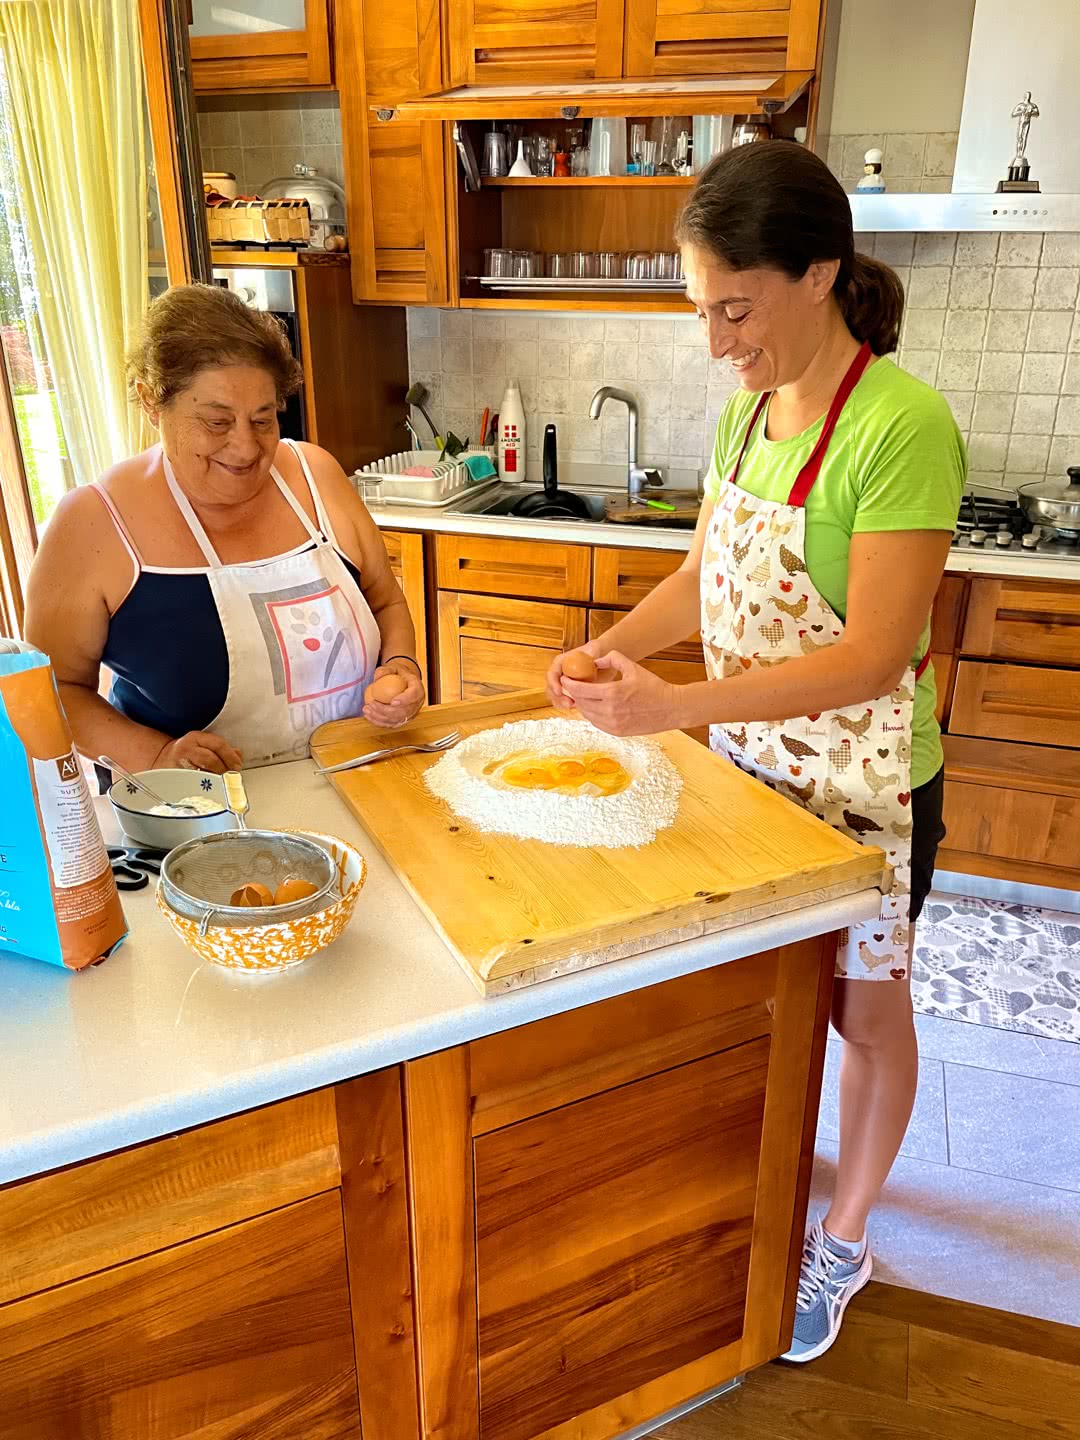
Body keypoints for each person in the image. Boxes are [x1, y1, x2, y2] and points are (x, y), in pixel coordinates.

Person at [548, 141, 965, 1362]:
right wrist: (605, 650)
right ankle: (761, 1176)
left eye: (736, 307)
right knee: (767, 998)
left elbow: (873, 659)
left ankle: (842, 1232)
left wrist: (671, 711)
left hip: (868, 780)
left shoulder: (901, 424)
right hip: (755, 772)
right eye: (701, 311)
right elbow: (702, 578)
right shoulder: (744, 419)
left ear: (820, 273)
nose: (716, 340)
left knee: (863, 1012)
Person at [26, 283, 423, 774]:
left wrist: (403, 668)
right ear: (152, 402)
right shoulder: (93, 523)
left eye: (263, 420)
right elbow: (52, 689)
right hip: (196, 820)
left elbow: (385, 599)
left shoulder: (317, 475)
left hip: (357, 779)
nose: (246, 448)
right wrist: (156, 755)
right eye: (216, 422)